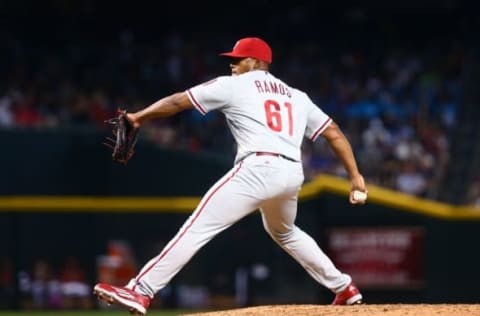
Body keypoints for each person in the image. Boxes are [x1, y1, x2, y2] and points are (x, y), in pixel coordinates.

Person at [94, 37, 367, 315]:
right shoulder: (297, 96)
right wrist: (355, 177)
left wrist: (139, 116)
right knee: (284, 231)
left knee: (196, 228)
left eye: (239, 59)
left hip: (258, 169)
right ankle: (343, 287)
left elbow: (179, 101)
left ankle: (141, 290)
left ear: (258, 62)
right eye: (232, 59)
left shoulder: (234, 85)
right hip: (292, 174)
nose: (232, 64)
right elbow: (332, 132)